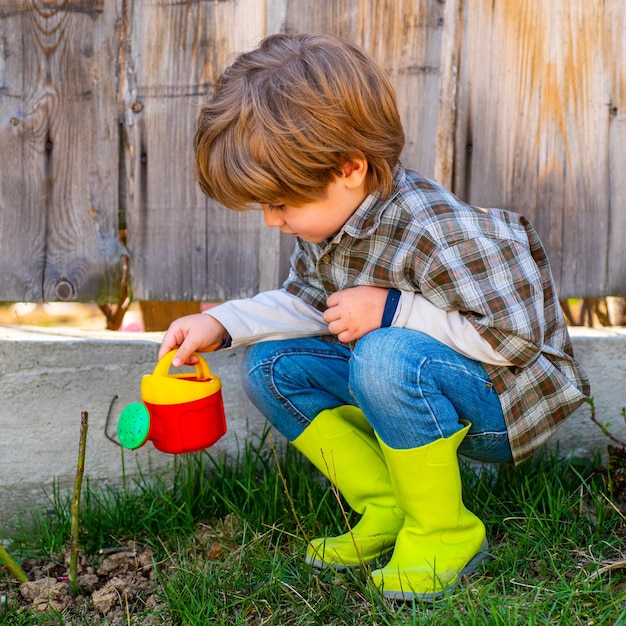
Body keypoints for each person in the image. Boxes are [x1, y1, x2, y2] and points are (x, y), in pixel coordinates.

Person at [158, 32, 590, 601]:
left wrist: (393, 309)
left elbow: (512, 340)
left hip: (504, 400)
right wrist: (224, 322)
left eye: (281, 204)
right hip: (427, 379)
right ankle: (386, 504)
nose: (270, 221)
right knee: (270, 367)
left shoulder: (432, 229)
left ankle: (445, 531)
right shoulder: (332, 225)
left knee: (383, 353)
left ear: (350, 169)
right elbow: (311, 306)